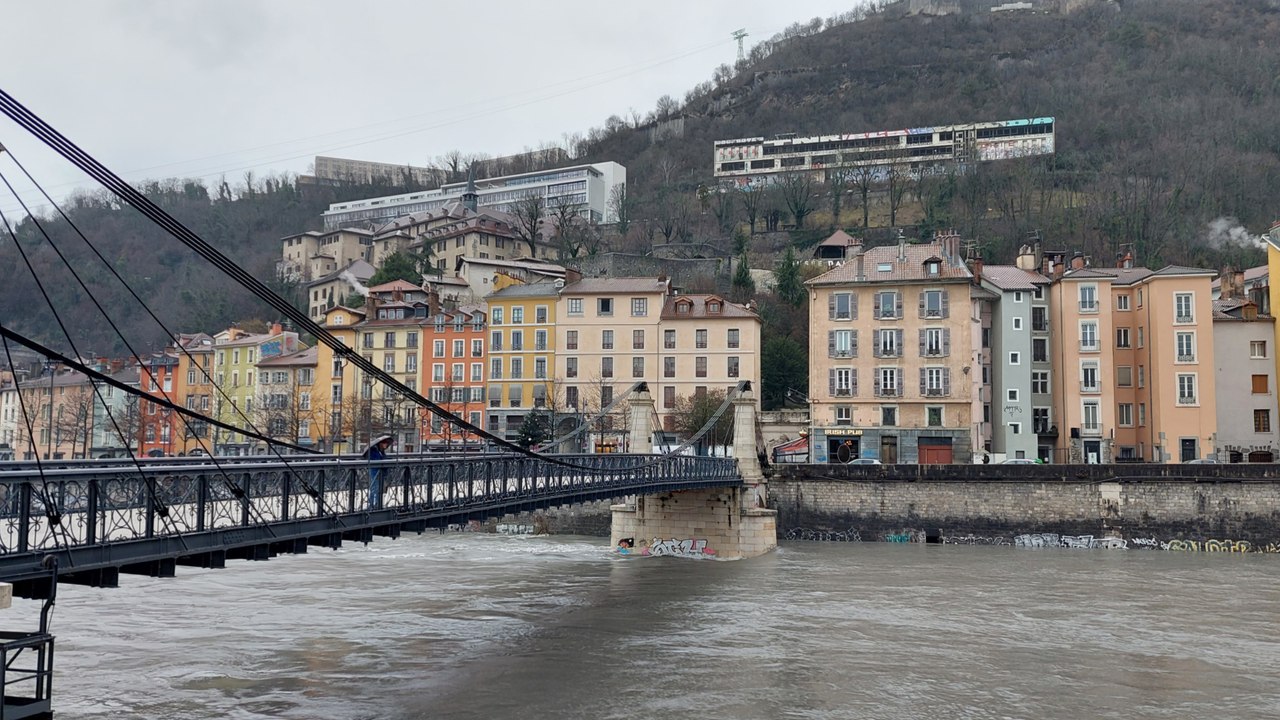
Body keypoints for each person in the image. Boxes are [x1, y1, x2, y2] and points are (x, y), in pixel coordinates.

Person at [365, 437, 392, 510]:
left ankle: (377, 503)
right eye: (385, 444)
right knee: (375, 487)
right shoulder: (374, 451)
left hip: (380, 472)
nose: (386, 445)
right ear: (381, 444)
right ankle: (373, 504)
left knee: (378, 487)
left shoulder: (381, 451)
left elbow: (383, 459)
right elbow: (377, 460)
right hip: (375, 471)